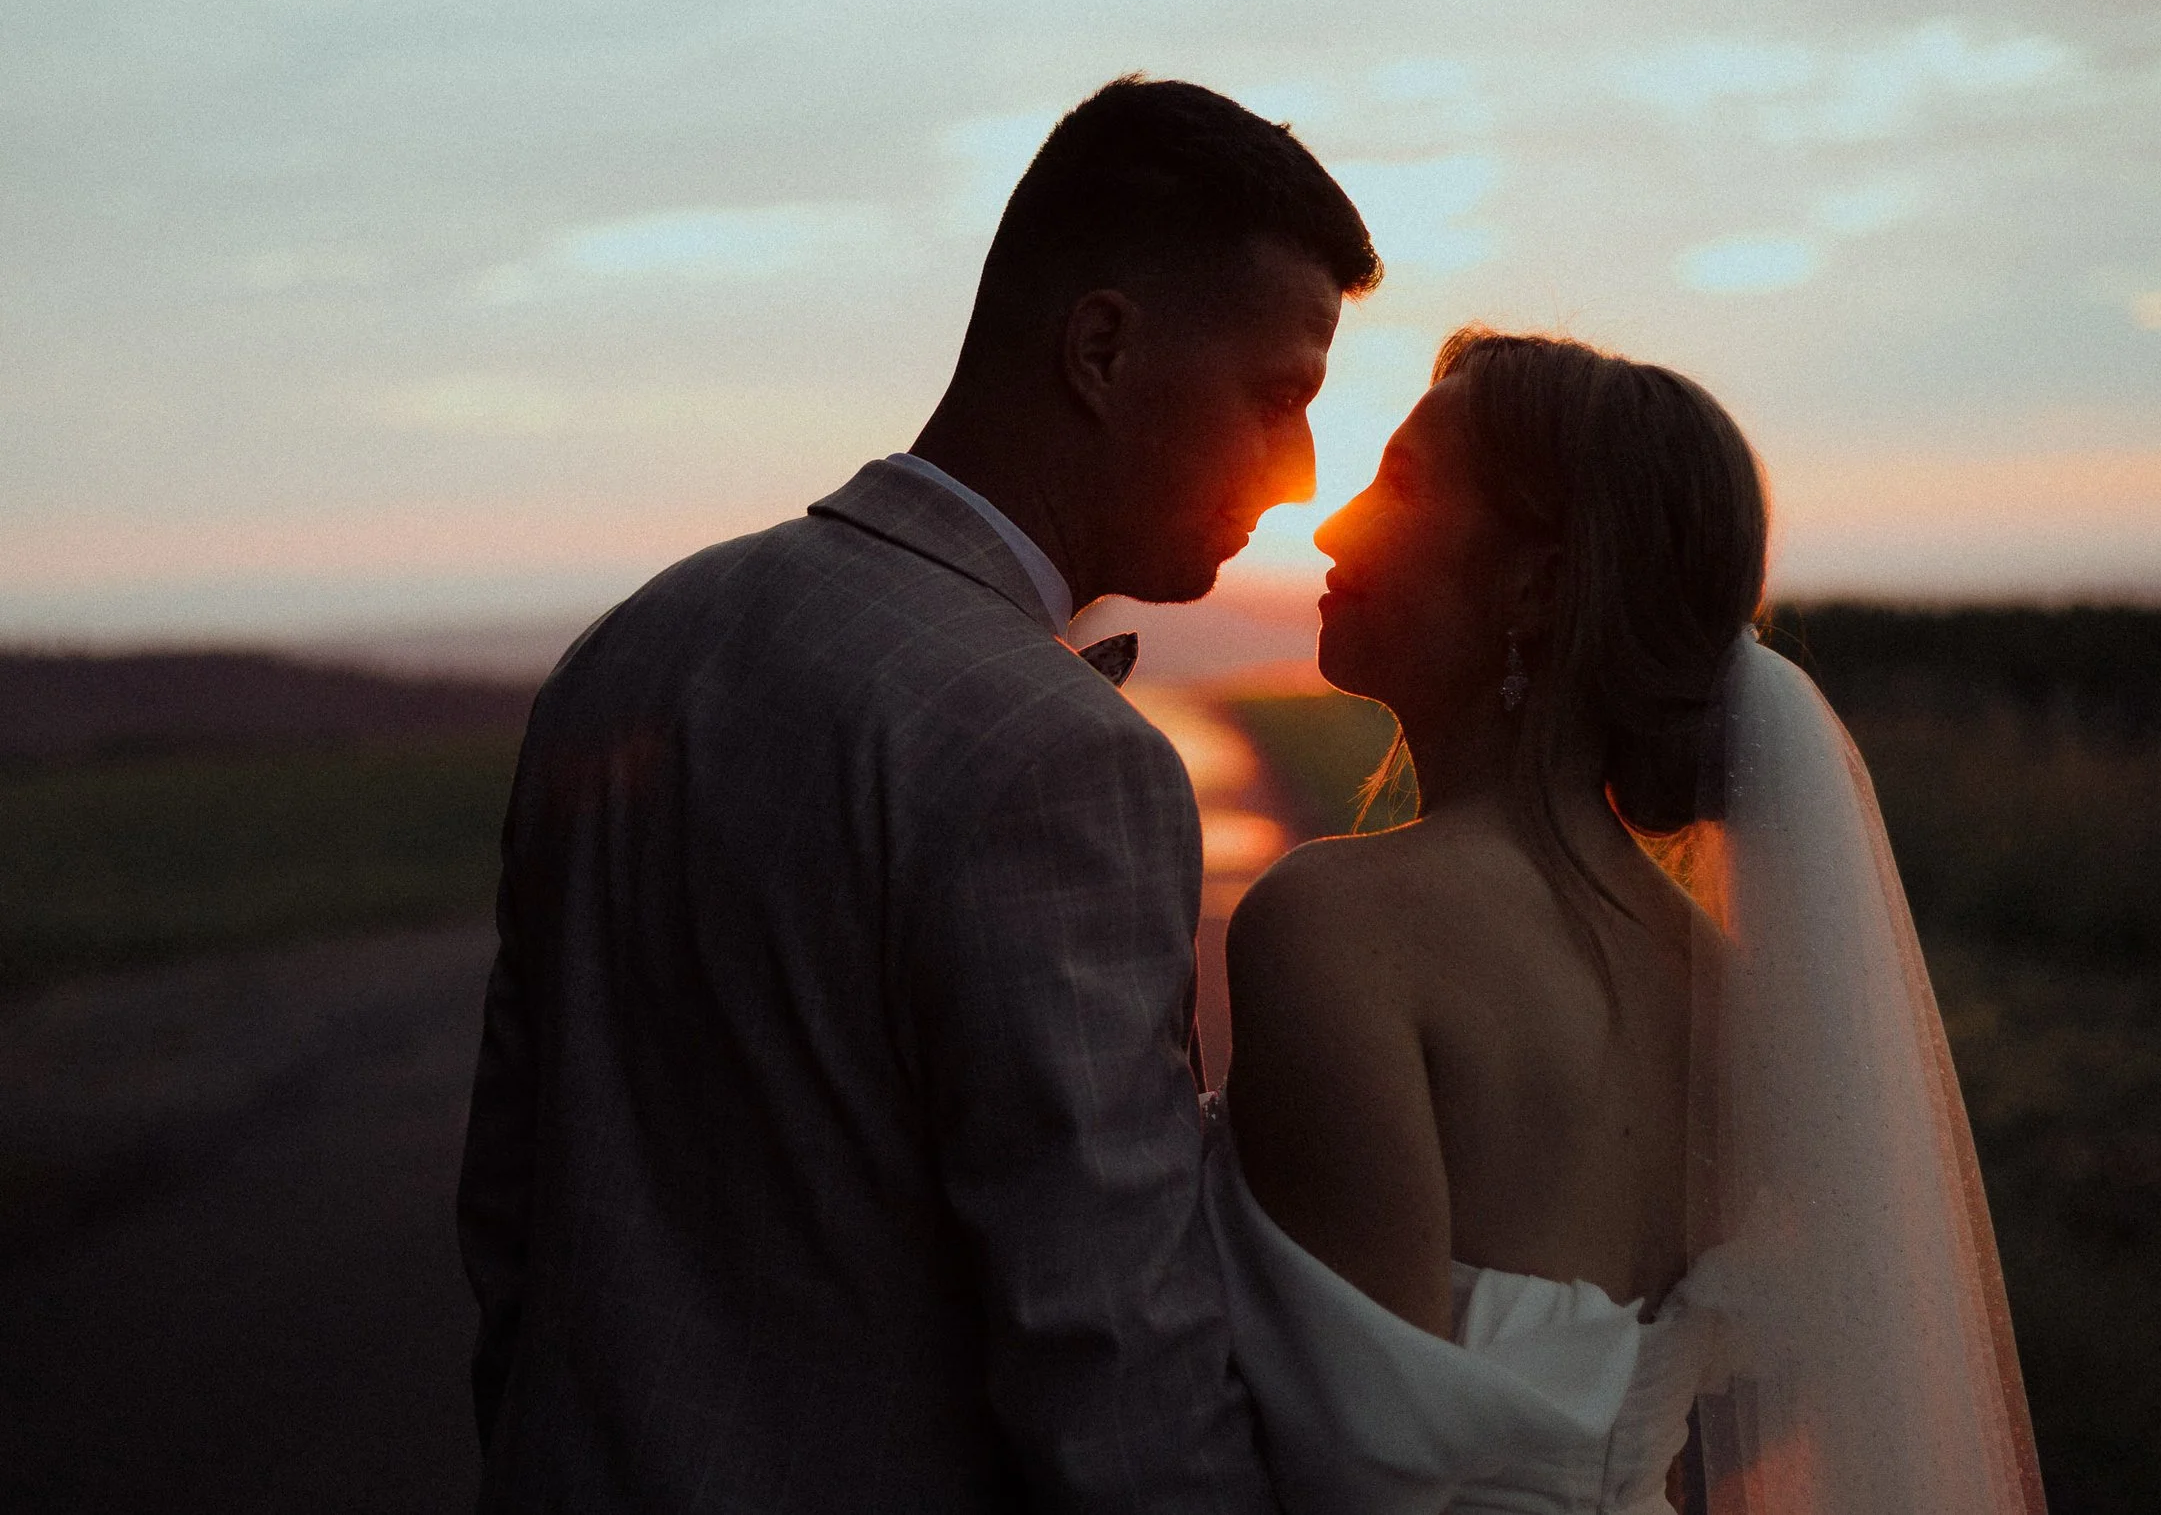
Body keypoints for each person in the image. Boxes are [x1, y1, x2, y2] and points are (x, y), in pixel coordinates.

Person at [455, 76, 1378, 1512]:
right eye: (1279, 395)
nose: (1302, 466)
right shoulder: (1058, 753)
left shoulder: (623, 649)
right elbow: (1109, 1353)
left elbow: (513, 1210)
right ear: (1102, 348)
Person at [1211, 330, 2045, 1515]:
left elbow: (1345, 1476)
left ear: (1537, 586)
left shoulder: (1334, 925)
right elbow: (1773, 1412)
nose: (1333, 525)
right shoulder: (1733, 997)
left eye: (1395, 481)